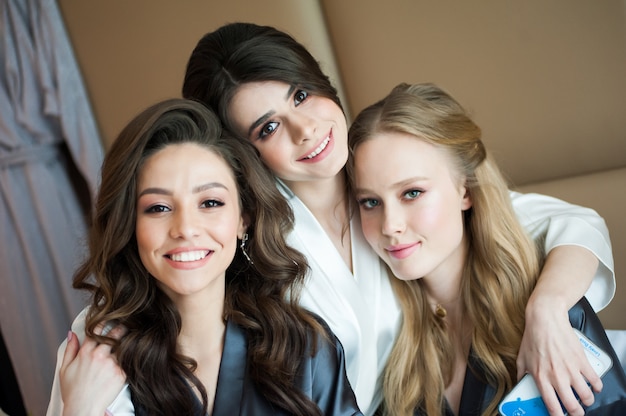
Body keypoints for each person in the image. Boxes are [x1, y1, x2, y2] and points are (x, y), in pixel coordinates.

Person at [49, 22, 615, 416]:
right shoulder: (242, 236)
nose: (304, 130)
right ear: (244, 154)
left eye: (301, 95)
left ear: (322, 81)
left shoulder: (389, 187)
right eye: (267, 128)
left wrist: (545, 310)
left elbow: (566, 225)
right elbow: (144, 303)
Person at [46, 98, 362, 416]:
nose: (185, 229)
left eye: (210, 203)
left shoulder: (304, 350)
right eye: (158, 208)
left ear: (244, 219)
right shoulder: (97, 360)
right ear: (130, 225)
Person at [346, 82, 626, 416]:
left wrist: (546, 309)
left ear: (465, 191)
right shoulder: (381, 339)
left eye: (412, 193)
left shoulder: (552, 320)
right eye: (370, 201)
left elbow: (579, 224)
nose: (390, 225)